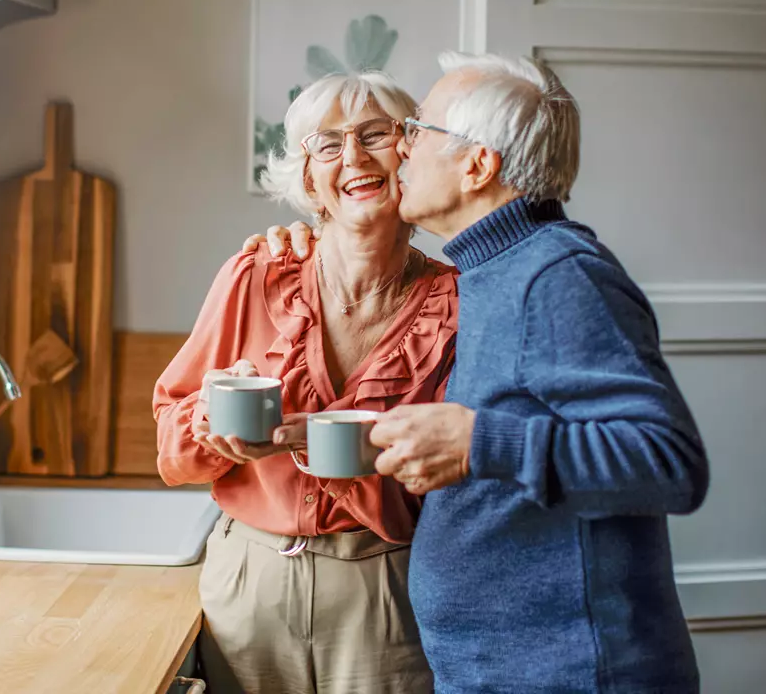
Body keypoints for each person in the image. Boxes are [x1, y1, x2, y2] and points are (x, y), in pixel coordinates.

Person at [245, 51, 710, 693]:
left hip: (570, 675)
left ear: (477, 164)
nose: (400, 151)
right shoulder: (494, 273)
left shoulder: (559, 276)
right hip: (508, 669)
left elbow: (671, 464)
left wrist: (476, 444)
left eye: (418, 131)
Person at [154, 69, 459, 694]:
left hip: (386, 587)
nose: (353, 157)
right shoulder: (256, 274)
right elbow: (171, 449)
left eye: (375, 133)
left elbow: (460, 476)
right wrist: (207, 423)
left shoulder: (458, 302)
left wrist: (326, 442)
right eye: (327, 144)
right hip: (250, 583)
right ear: (311, 180)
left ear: (410, 153)